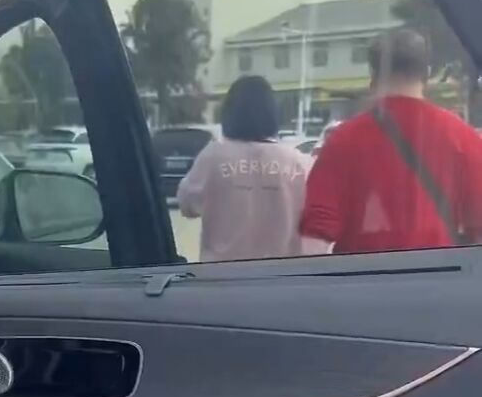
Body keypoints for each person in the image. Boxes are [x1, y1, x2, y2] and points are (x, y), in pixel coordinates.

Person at [300, 26, 482, 255]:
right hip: (440, 281)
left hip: (363, 283)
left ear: (374, 75)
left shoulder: (343, 140)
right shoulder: (464, 138)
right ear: (426, 73)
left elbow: (316, 234)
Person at [177, 75, 311, 262]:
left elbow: (187, 206)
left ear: (229, 113)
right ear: (272, 113)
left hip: (222, 280)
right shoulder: (298, 162)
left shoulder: (212, 157)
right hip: (283, 278)